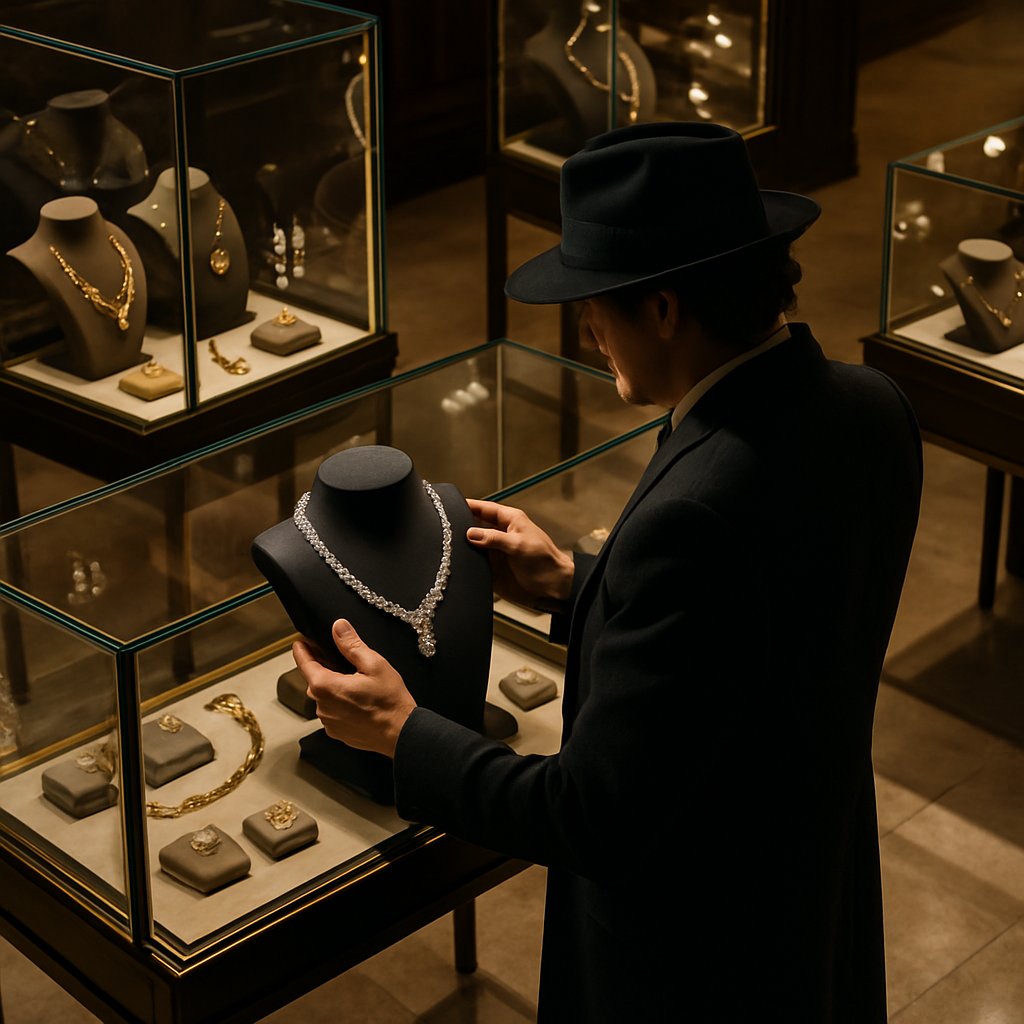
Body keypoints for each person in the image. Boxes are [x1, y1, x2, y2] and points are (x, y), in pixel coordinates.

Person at [292, 122, 923, 1022]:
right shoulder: (874, 408)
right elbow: (762, 634)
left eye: (598, 300)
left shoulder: (692, 514)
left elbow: (589, 814)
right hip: (816, 906)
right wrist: (574, 581)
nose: (586, 326)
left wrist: (403, 731)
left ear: (665, 308)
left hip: (694, 966)